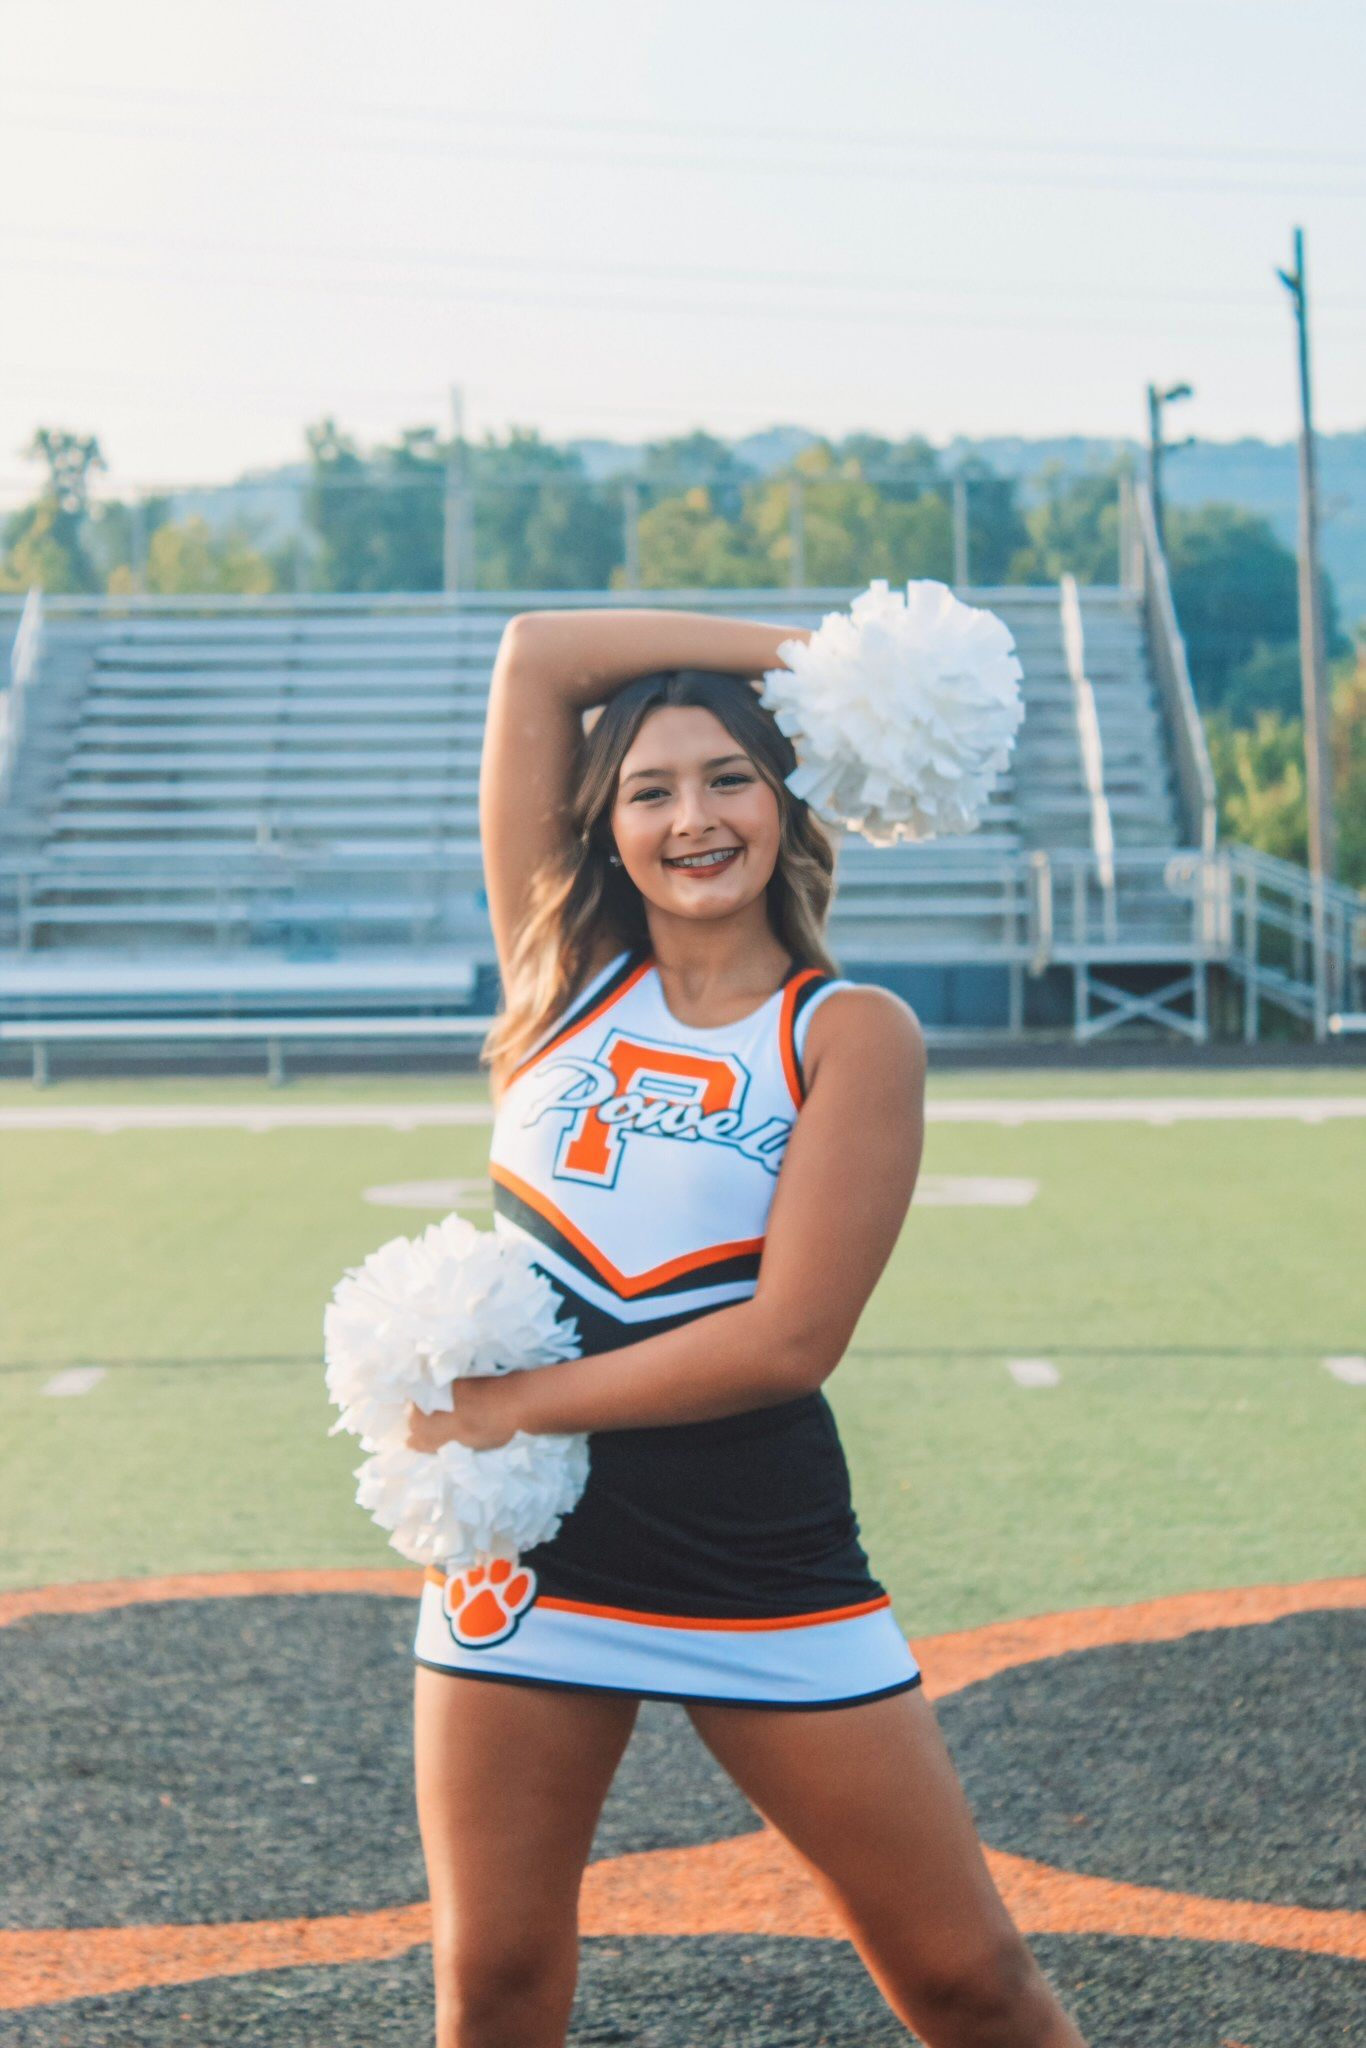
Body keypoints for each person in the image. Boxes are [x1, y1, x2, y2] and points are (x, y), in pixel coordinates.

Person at [404, 607, 1088, 2048]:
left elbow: (789, 1341)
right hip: (532, 1555)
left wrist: (513, 1410)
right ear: (605, 830)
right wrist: (812, 655)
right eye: (649, 790)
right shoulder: (558, 982)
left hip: (757, 1552)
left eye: (731, 776)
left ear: (786, 802)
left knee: (965, 1978)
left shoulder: (847, 1033)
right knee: (496, 1984)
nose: (692, 818)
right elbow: (536, 656)